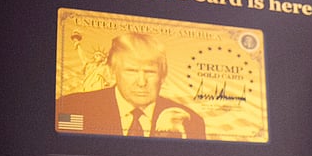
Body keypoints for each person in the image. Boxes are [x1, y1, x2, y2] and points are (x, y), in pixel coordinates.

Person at [56, 32, 206, 139]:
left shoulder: (191, 121)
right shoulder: (72, 107)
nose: (141, 82)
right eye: (131, 71)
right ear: (112, 71)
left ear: (163, 76)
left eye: (150, 72)